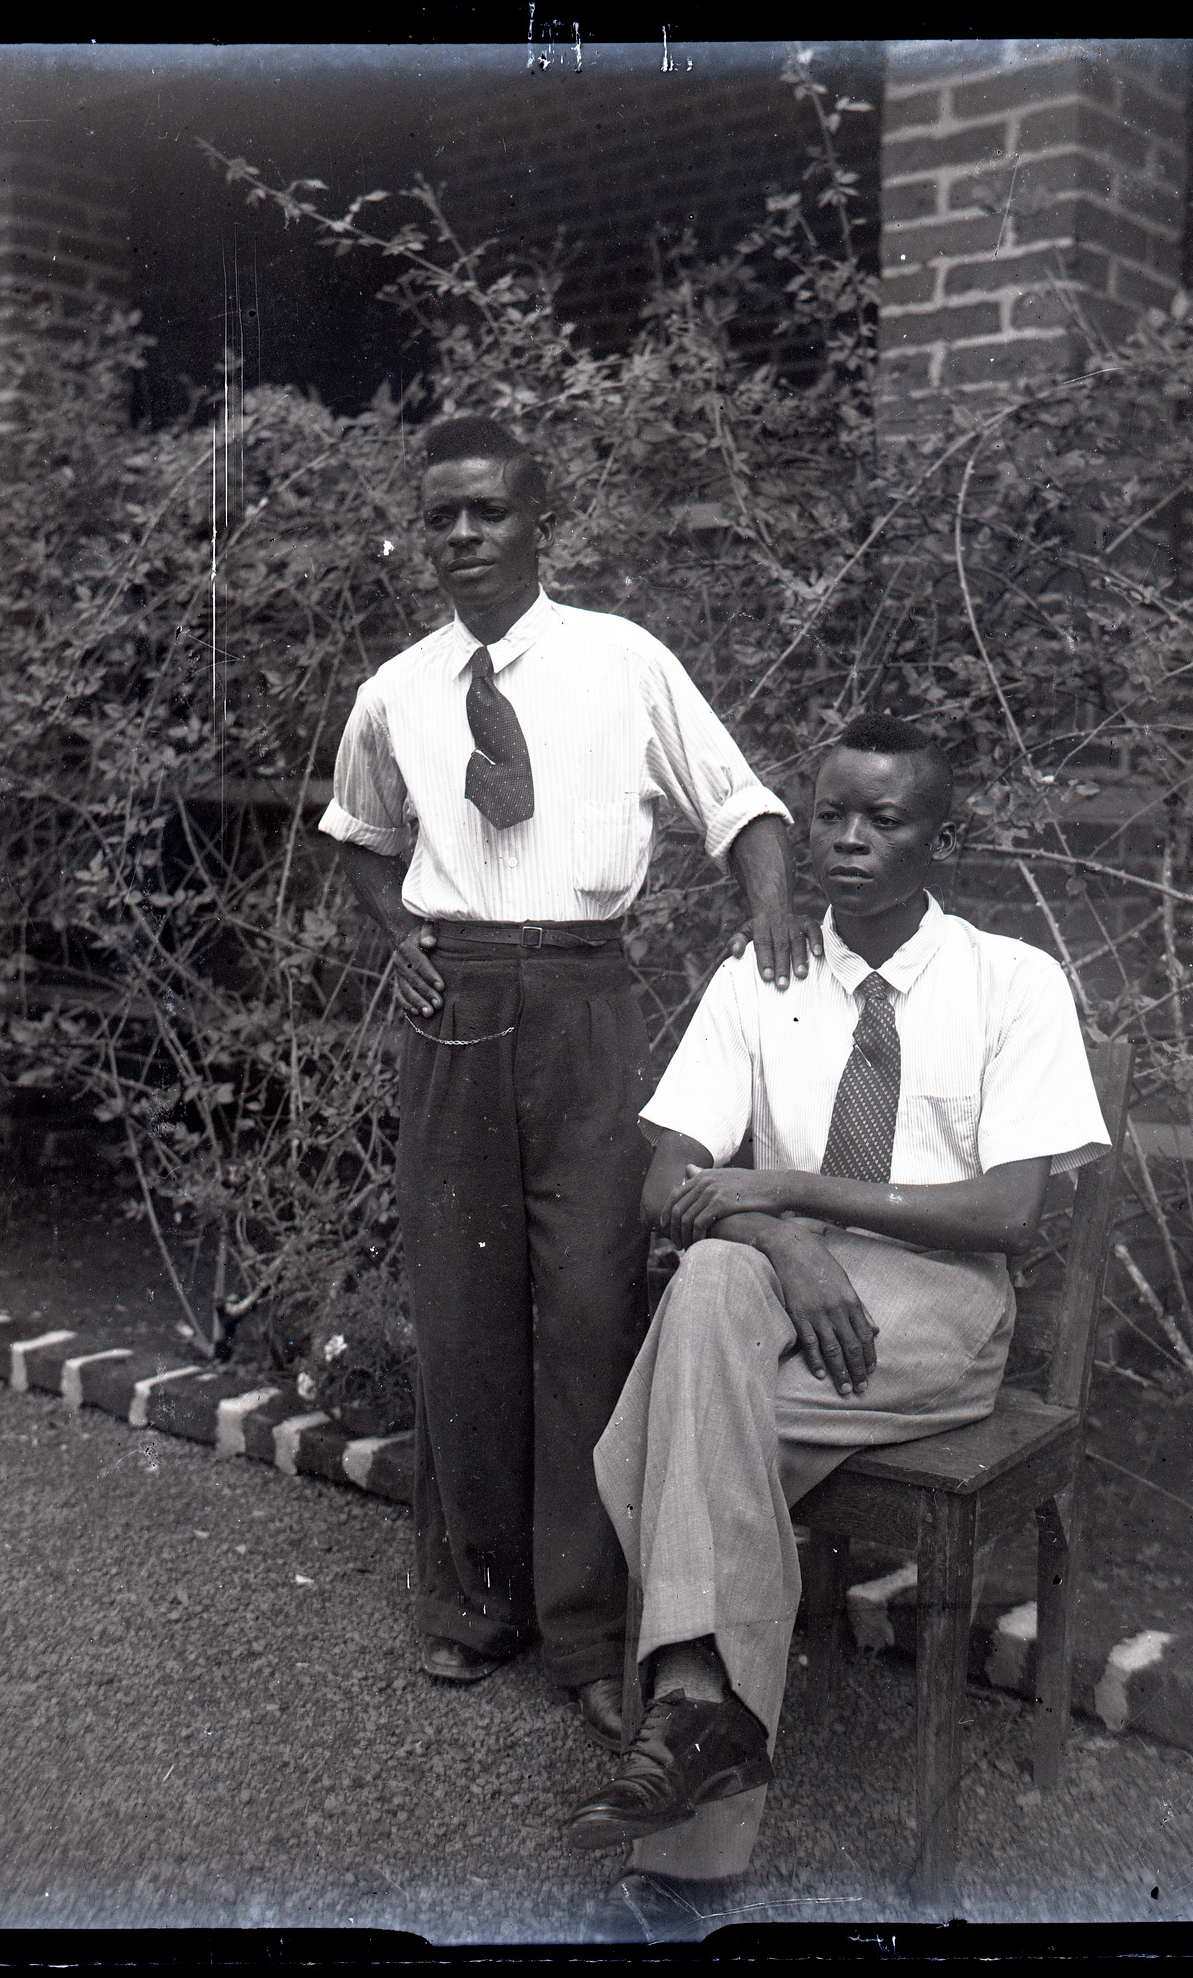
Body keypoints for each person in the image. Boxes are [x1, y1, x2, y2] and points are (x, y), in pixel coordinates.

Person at [318, 415, 815, 1750]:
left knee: (591, 1306)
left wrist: (770, 913)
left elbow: (741, 804)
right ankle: (477, 1603)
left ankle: (590, 1633)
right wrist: (397, 934)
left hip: (586, 1001)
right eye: (441, 516)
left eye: (486, 511)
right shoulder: (397, 691)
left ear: (539, 520)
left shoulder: (621, 661)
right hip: (456, 1007)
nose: (462, 535)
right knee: (463, 1306)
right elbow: (357, 833)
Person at [565, 712, 1111, 1919]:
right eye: (829, 815)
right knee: (710, 1280)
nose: (848, 839)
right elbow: (668, 1181)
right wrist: (782, 1241)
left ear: (938, 838)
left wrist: (790, 1190)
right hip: (773, 1294)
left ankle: (685, 1808)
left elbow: (1007, 1210)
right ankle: (700, 1709)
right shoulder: (756, 978)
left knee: (671, 1424)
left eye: (884, 818)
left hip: (939, 1303)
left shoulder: (1010, 980)